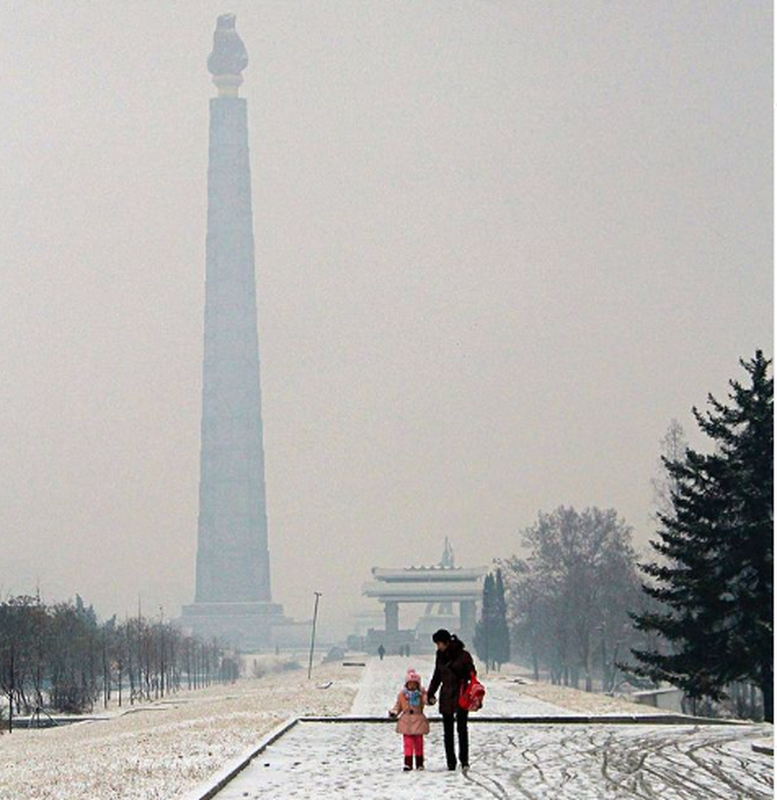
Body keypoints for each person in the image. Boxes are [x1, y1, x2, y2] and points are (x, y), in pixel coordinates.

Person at [427, 629, 475, 771]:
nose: (438, 647)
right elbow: (437, 675)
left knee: (462, 729)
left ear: (446, 642)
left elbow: (472, 673)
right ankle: (451, 761)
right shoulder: (440, 655)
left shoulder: (464, 655)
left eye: (439, 643)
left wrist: (463, 675)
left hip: (461, 694)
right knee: (448, 731)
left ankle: (464, 760)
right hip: (447, 694)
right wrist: (431, 693)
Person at [388, 668, 430, 771]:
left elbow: (427, 701)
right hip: (406, 721)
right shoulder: (402, 695)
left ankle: (419, 763)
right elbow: (398, 706)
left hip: (418, 720)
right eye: (410, 684)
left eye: (414, 684)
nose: (412, 686)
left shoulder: (421, 694)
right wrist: (394, 712)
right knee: (407, 744)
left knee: (419, 744)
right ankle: (408, 763)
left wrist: (429, 698)